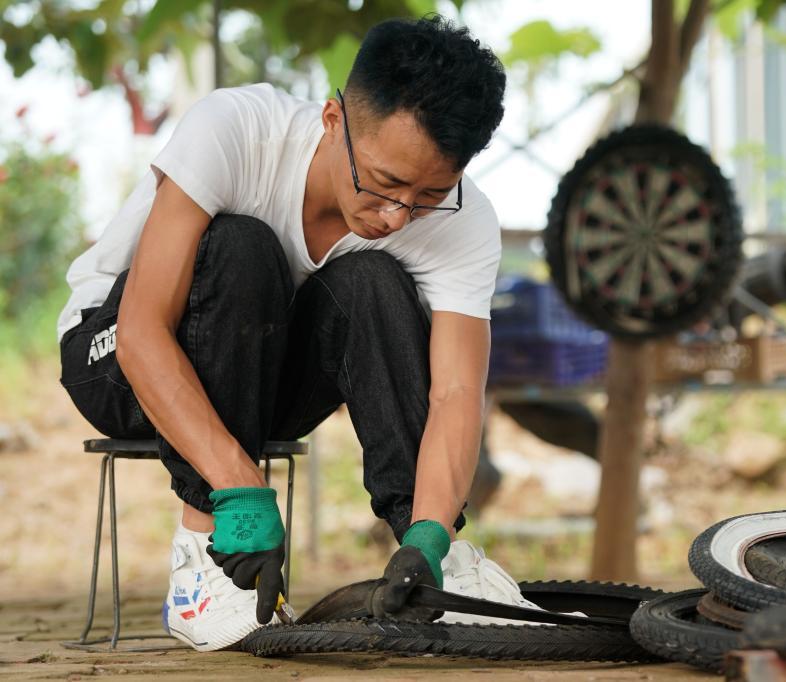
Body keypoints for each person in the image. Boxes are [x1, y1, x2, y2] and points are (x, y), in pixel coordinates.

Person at [57, 15, 536, 651]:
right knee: (241, 244)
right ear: (334, 120)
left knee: (373, 278)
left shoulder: (462, 218)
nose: (398, 215)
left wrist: (432, 530)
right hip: (117, 355)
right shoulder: (236, 129)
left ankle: (432, 563)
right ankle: (204, 556)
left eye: (428, 194)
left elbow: (454, 394)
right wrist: (239, 486)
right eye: (386, 183)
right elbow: (145, 329)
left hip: (264, 374)